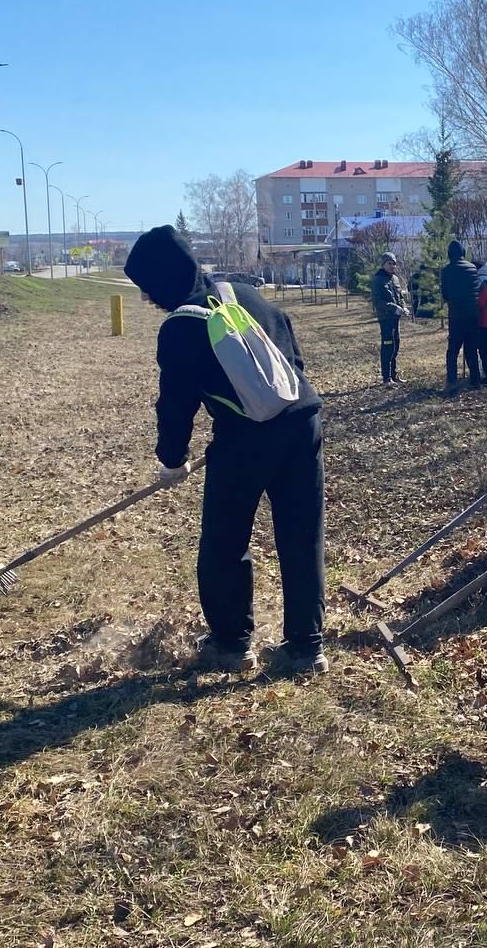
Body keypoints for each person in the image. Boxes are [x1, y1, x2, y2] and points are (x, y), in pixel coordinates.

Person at [124, 225, 328, 674]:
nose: (146, 299)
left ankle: (232, 644)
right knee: (301, 536)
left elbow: (176, 404)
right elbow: (292, 353)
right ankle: (306, 648)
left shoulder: (180, 324)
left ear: (161, 280)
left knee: (225, 540)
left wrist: (172, 460)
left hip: (245, 440)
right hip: (303, 423)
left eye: (146, 288)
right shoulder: (242, 294)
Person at [440, 240, 482, 392]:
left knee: (453, 349)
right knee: (471, 348)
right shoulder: (472, 268)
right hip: (473, 314)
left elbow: (445, 294)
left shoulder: (447, 270)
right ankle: (475, 380)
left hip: (457, 315)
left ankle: (452, 381)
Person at [370, 252, 409, 385]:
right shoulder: (378, 279)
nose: (392, 266)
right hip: (385, 318)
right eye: (389, 263)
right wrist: (393, 307)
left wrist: (404, 307)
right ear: (383, 264)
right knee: (388, 346)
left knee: (396, 345)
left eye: (394, 263)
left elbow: (400, 297)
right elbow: (377, 301)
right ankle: (386, 378)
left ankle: (394, 374)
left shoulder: (395, 279)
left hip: (395, 318)